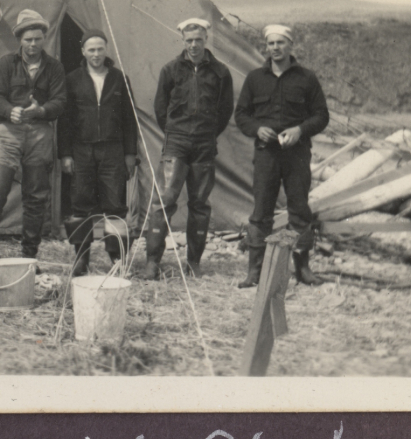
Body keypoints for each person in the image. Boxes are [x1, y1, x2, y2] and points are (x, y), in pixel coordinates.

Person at [234, 23, 330, 288]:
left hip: (297, 154)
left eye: (280, 43)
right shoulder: (255, 78)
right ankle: (255, 272)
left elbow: (322, 116)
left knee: (299, 210)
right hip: (266, 155)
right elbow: (241, 114)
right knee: (261, 211)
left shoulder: (306, 78)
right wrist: (257, 129)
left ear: (290, 46)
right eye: (271, 44)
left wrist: (300, 130)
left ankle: (303, 270)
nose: (275, 48)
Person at [141, 17, 235, 279]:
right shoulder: (171, 70)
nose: (194, 45)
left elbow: (225, 110)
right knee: (165, 200)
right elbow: (161, 108)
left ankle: (194, 262)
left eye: (198, 40)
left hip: (204, 144)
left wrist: (207, 132)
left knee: (200, 204)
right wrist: (176, 131)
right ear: (182, 41)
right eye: (189, 40)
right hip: (177, 143)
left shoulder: (220, 72)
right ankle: (152, 262)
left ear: (206, 40)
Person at [0, 9, 67, 261]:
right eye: (28, 40)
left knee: (36, 198)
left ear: (44, 38)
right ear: (19, 39)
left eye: (38, 39)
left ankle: (29, 257)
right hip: (8, 132)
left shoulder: (55, 68)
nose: (33, 44)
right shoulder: (5, 64)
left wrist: (41, 110)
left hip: (40, 133)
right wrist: (10, 111)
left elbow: (60, 101)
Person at [58, 29, 140, 275]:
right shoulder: (72, 79)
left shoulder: (119, 78)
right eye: (91, 50)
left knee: (114, 204)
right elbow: (65, 120)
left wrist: (129, 154)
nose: (96, 54)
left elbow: (129, 119)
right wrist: (66, 154)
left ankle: (115, 258)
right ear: (83, 52)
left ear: (106, 51)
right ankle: (81, 257)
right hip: (81, 150)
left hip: (113, 150)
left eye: (100, 49)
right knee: (81, 203)